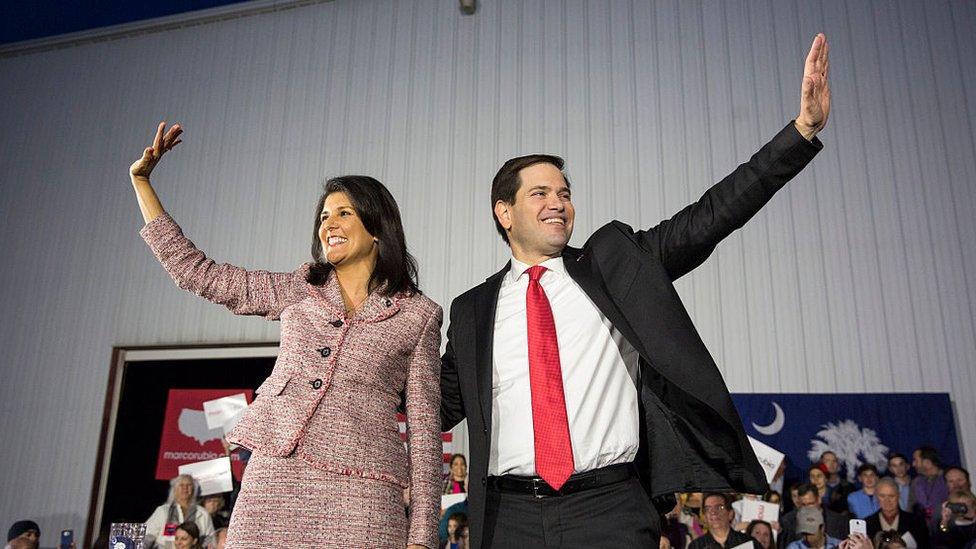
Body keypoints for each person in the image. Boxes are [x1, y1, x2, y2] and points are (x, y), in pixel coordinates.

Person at [438, 34, 830, 549]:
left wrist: (800, 133)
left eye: (565, 192)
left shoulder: (613, 265)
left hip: (611, 511)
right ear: (503, 212)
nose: (558, 202)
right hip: (506, 519)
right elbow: (438, 404)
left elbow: (709, 217)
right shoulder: (471, 310)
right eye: (540, 193)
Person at [130, 123, 443, 548]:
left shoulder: (418, 315)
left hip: (366, 492)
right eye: (323, 216)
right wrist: (142, 183)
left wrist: (422, 536)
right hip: (274, 477)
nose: (328, 224)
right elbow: (198, 273)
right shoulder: (299, 288)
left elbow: (425, 432)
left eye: (343, 213)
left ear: (376, 228)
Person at [144, 474, 214, 548]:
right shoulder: (163, 511)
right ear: (175, 489)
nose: (185, 488)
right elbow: (147, 536)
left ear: (194, 489)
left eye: (189, 485)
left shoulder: (203, 513)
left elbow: (210, 540)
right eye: (181, 485)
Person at [864, 478, 930, 548]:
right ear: (876, 497)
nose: (887, 500)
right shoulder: (867, 524)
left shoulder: (917, 522)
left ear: (898, 496)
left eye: (891, 496)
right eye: (882, 496)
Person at [779, 484, 848, 548]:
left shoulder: (838, 520)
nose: (807, 508)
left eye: (810, 503)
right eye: (803, 505)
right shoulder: (788, 521)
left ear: (819, 500)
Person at [688, 494, 761, 549]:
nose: (713, 512)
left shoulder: (748, 542)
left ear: (730, 514)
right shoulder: (696, 546)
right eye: (708, 509)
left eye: (719, 507)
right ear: (704, 517)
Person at [911, 446, 948, 527]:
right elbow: (910, 508)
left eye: (915, 460)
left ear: (927, 462)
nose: (913, 464)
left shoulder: (948, 479)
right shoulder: (916, 483)